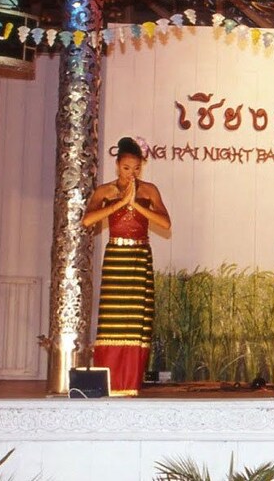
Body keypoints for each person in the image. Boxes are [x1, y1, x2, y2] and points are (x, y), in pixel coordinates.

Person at [83, 136, 171, 395]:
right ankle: (110, 381)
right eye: (126, 168)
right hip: (116, 257)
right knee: (113, 319)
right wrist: (121, 203)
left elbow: (165, 224)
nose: (131, 173)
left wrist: (135, 204)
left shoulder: (149, 190)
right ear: (117, 165)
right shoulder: (105, 191)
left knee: (135, 321)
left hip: (139, 256)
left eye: (136, 168)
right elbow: (88, 221)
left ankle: (130, 382)